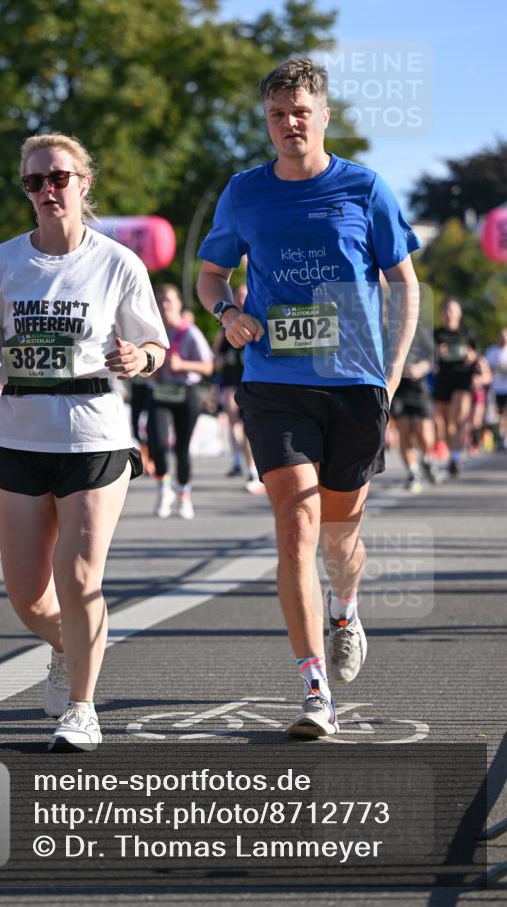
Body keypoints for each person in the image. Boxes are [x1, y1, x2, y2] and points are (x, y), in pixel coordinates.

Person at [197, 58, 420, 739]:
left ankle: (345, 608)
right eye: (276, 114)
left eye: (300, 111)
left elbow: (403, 281)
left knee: (338, 535)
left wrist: (390, 373)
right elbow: (210, 275)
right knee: (294, 526)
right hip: (275, 383)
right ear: (264, 122)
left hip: (354, 385)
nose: (289, 123)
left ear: (322, 116)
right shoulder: (243, 193)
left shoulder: (363, 187)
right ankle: (312, 683)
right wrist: (227, 311)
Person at [0, 132, 167, 752]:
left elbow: (156, 346)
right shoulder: (1, 262)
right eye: (35, 182)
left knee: (79, 578)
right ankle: (65, 646)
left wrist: (140, 356)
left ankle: (81, 707)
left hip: (93, 429)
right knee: (28, 597)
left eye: (59, 178)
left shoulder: (117, 262)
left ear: (84, 184)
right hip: (17, 431)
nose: (47, 190)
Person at [147, 284, 214, 520]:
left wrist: (183, 365)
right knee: (158, 443)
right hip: (161, 392)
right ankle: (164, 489)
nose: (165, 305)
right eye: (161, 301)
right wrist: (149, 370)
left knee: (181, 448)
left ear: (178, 304)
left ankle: (184, 494)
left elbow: (208, 366)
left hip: (187, 393)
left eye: (169, 300)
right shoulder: (154, 332)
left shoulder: (190, 332)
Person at [212, 282, 263, 493]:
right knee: (235, 423)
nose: (242, 300)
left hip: (252, 382)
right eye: (239, 296)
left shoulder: (260, 321)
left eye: (245, 295)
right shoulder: (226, 329)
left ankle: (252, 467)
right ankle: (238, 459)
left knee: (250, 427)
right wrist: (217, 375)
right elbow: (215, 358)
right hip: (231, 383)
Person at [390, 322, 439, 492]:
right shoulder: (384, 331)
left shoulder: (420, 331)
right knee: (404, 430)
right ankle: (413, 472)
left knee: (423, 429)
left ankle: (426, 458)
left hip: (419, 389)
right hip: (398, 388)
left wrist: (420, 368)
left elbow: (432, 356)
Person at [433, 298, 477, 476]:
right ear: (442, 314)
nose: (449, 314)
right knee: (445, 423)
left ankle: (455, 458)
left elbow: (475, 355)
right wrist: (438, 353)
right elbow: (429, 357)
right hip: (443, 379)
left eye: (453, 310)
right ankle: (452, 452)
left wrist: (471, 356)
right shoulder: (437, 334)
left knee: (457, 419)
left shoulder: (467, 333)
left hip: (462, 378)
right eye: (446, 311)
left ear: (459, 313)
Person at [486, 328, 507, 451]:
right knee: (497, 415)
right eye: (502, 336)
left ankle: (505, 438)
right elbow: (486, 368)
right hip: (496, 388)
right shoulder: (492, 351)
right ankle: (500, 438)